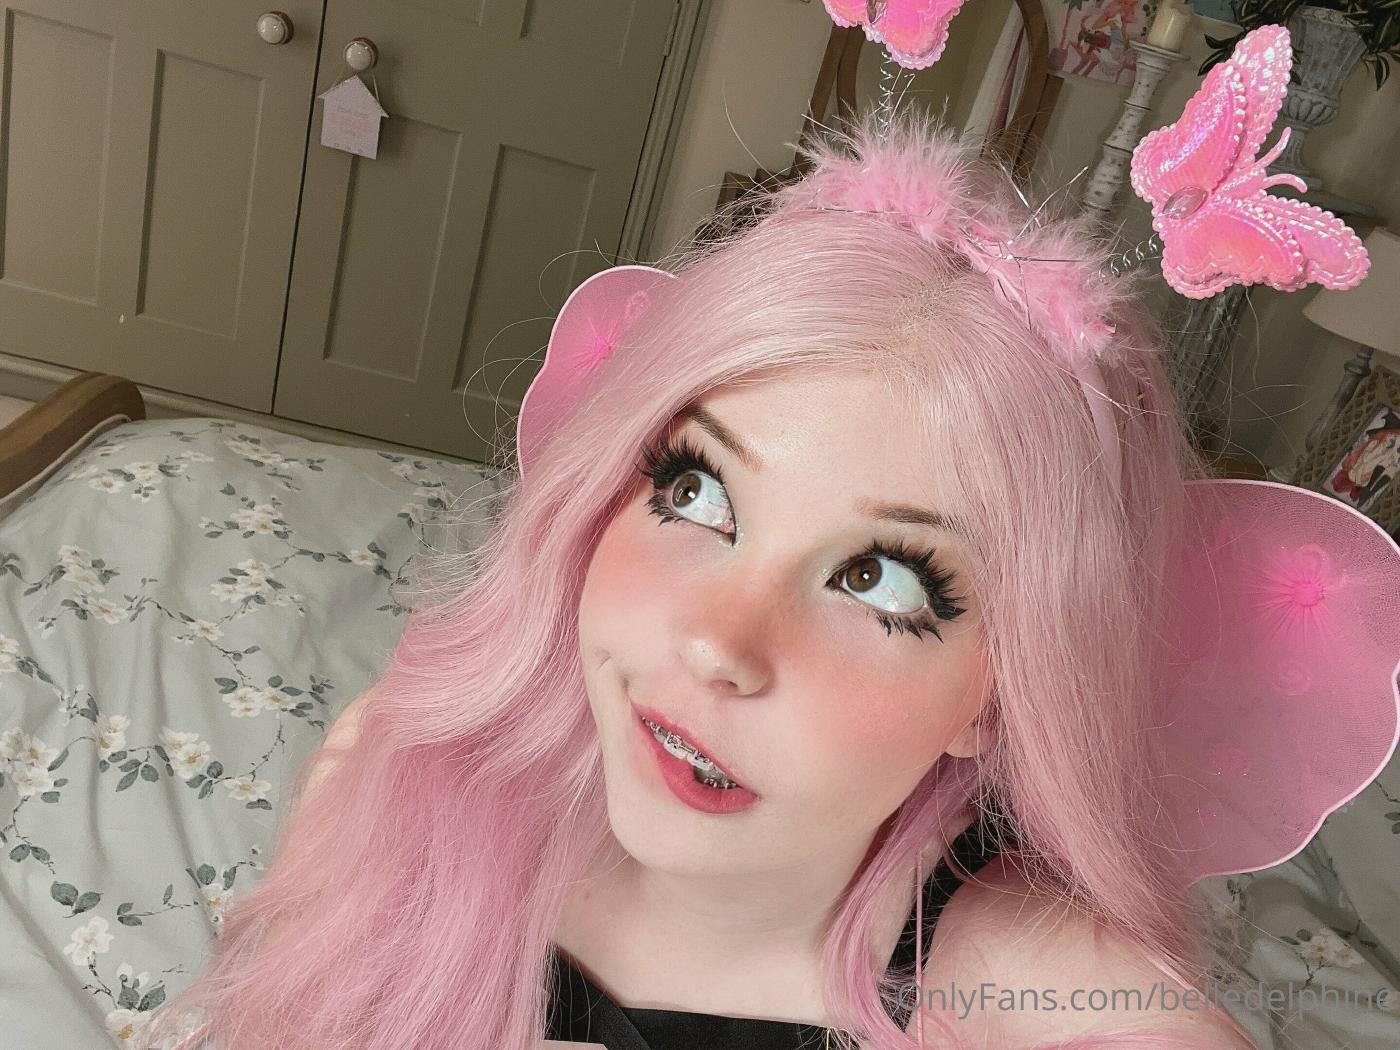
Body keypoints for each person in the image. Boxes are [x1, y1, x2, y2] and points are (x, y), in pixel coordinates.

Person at [137, 110, 1347, 1050]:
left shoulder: (1047, 992)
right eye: (693, 491)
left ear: (1002, 691)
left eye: (880, 581)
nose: (718, 641)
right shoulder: (397, 772)